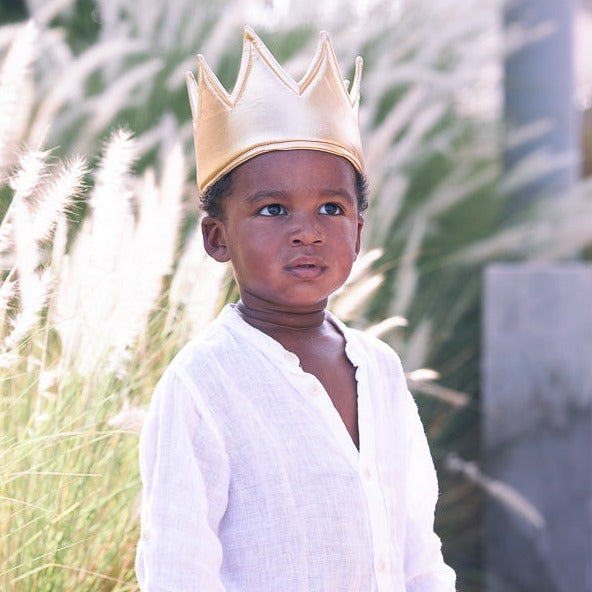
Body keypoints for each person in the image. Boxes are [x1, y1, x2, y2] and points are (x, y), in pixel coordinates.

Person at [135, 26, 456, 591]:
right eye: (273, 210)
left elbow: (416, 546)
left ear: (358, 231)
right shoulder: (204, 384)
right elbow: (177, 567)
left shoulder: (380, 370)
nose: (307, 232)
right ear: (217, 238)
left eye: (331, 207)